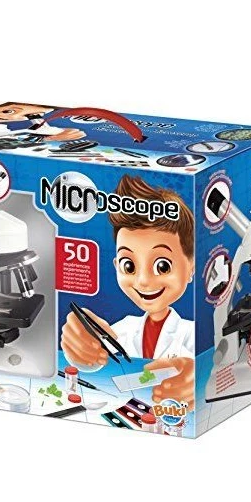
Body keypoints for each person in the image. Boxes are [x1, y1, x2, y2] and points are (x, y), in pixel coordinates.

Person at [60, 175, 196, 409]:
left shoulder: (192, 334)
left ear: (191, 266)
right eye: (129, 266)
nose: (143, 281)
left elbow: (217, 368)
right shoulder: (122, 329)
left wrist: (199, 377)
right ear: (116, 266)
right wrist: (78, 348)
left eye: (163, 266)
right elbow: (95, 366)